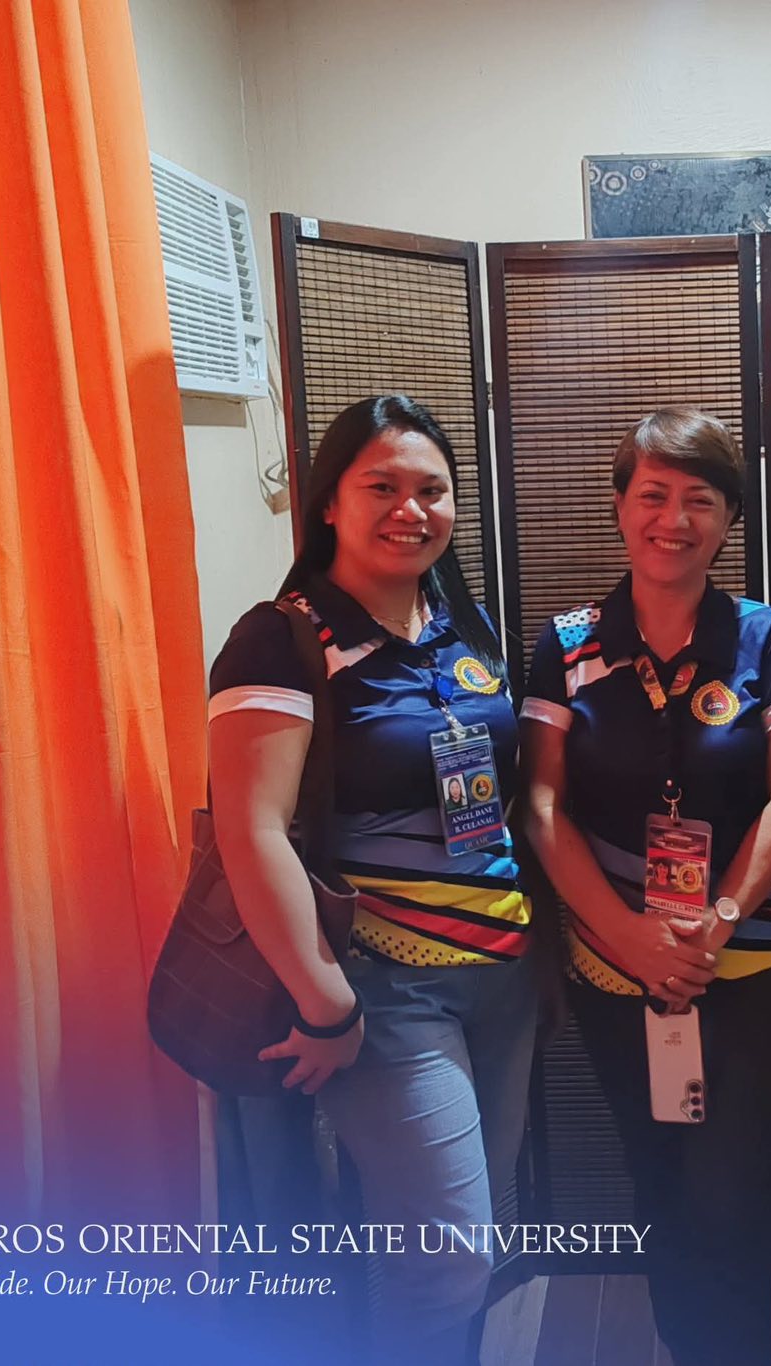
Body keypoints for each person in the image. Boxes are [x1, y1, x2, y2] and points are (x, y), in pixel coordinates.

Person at [206, 395, 536, 1365]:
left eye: (432, 489)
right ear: (328, 503)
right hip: (383, 989)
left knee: (465, 1243)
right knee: (448, 1258)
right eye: (381, 486)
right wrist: (326, 1002)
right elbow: (251, 829)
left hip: (502, 977)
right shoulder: (281, 638)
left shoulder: (461, 622)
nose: (411, 509)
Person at [521, 407, 771, 1366]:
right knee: (656, 1176)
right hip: (614, 959)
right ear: (620, 508)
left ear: (729, 518)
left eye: (700, 499)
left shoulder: (762, 635)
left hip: (745, 957)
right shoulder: (568, 644)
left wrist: (718, 921)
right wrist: (627, 936)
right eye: (653, 495)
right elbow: (541, 805)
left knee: (732, 1191)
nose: (674, 519)